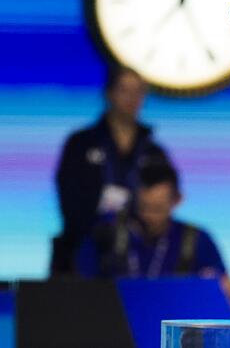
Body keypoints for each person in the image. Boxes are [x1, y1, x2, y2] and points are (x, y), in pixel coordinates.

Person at [79, 162, 230, 312]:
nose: (149, 216)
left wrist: (215, 287)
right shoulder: (106, 235)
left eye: (158, 208)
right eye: (143, 207)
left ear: (177, 200)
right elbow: (80, 294)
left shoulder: (196, 239)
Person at [51, 66, 169, 276]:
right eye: (125, 90)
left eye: (138, 91)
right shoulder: (81, 144)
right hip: (83, 250)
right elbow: (68, 198)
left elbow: (165, 198)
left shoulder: (153, 150)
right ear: (109, 93)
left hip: (139, 257)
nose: (132, 98)